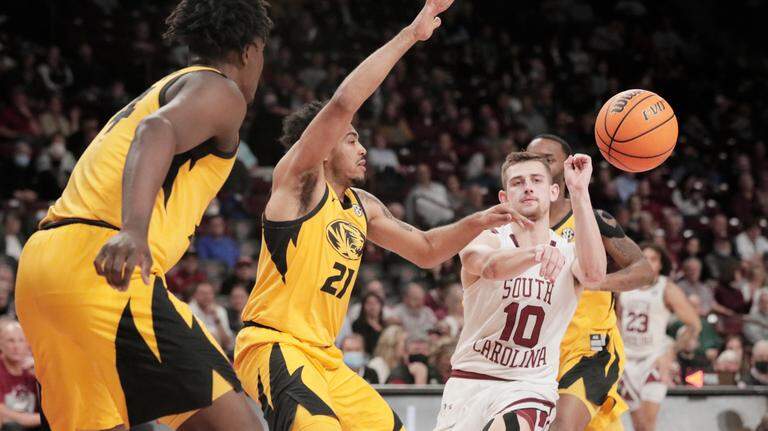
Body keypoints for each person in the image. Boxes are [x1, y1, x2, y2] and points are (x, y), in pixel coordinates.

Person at [234, 2, 532, 429]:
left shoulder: (363, 205)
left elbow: (427, 251)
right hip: (274, 344)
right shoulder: (299, 182)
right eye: (351, 139)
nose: (362, 149)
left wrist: (478, 221)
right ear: (323, 145)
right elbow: (343, 102)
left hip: (325, 359)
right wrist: (412, 33)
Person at [13, 0, 272, 429]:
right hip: (104, 267)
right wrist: (134, 231)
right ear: (250, 51)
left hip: (43, 268)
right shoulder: (219, 89)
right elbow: (155, 131)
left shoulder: (164, 90)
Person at [435, 152, 607, 431]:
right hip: (469, 381)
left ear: (554, 191)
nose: (527, 187)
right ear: (504, 198)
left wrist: (579, 193)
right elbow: (489, 267)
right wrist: (536, 253)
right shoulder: (486, 239)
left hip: (529, 386)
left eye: (536, 180)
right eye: (518, 182)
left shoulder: (568, 253)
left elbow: (595, 275)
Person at [527, 135, 654, 431]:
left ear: (567, 167)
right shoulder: (516, 226)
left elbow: (644, 270)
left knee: (562, 425)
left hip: (591, 346)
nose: (538, 165)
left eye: (548, 159)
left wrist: (594, 282)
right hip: (539, 351)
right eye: (532, 158)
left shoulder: (593, 220)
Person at [619, 244, 701, 431]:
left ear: (661, 264)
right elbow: (616, 318)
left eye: (653, 259)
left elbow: (694, 324)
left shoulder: (667, 288)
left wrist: (671, 351)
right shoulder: (624, 285)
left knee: (648, 424)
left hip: (654, 359)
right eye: (644, 257)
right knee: (638, 425)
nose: (647, 262)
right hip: (627, 360)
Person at [0, 320, 40, 430]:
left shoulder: (35, 369)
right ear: (1, 344)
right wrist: (44, 419)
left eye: (21, 340)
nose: (16, 346)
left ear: (27, 345)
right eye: (10, 341)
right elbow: (3, 413)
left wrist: (40, 376)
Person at [189, 282, 234, 353]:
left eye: (209, 293)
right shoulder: (188, 310)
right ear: (195, 295)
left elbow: (227, 343)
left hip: (218, 352)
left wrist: (217, 320)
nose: (206, 296)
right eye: (202, 293)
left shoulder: (220, 311)